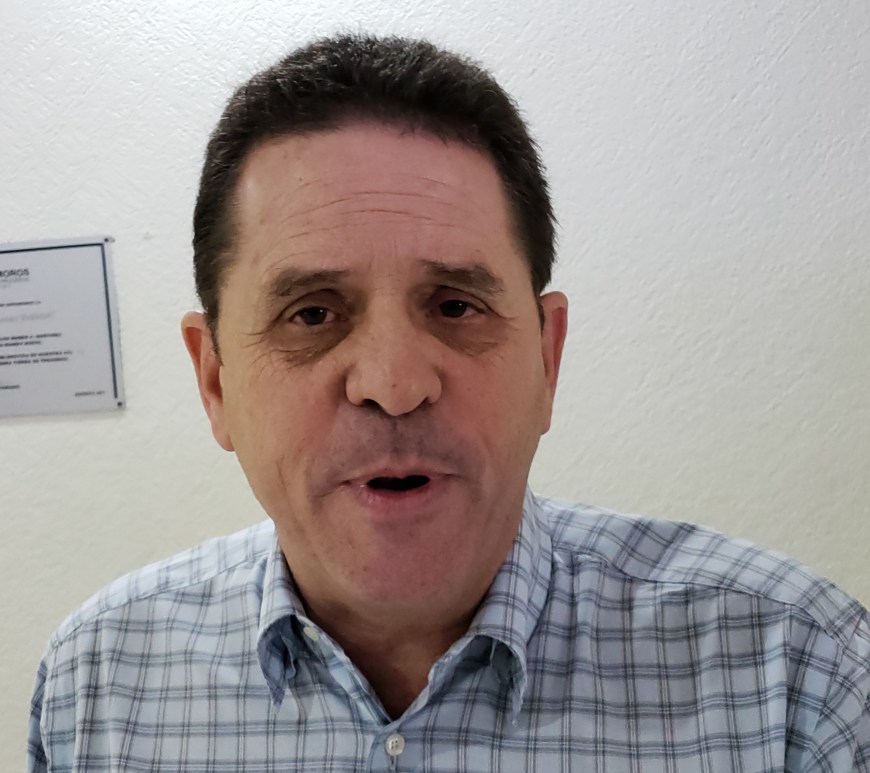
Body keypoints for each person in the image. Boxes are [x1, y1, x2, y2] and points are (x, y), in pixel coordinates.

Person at [28, 33, 869, 772]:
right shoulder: (97, 683)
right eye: (312, 314)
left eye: (456, 306)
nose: (394, 383)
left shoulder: (802, 679)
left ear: (547, 357)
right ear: (215, 381)